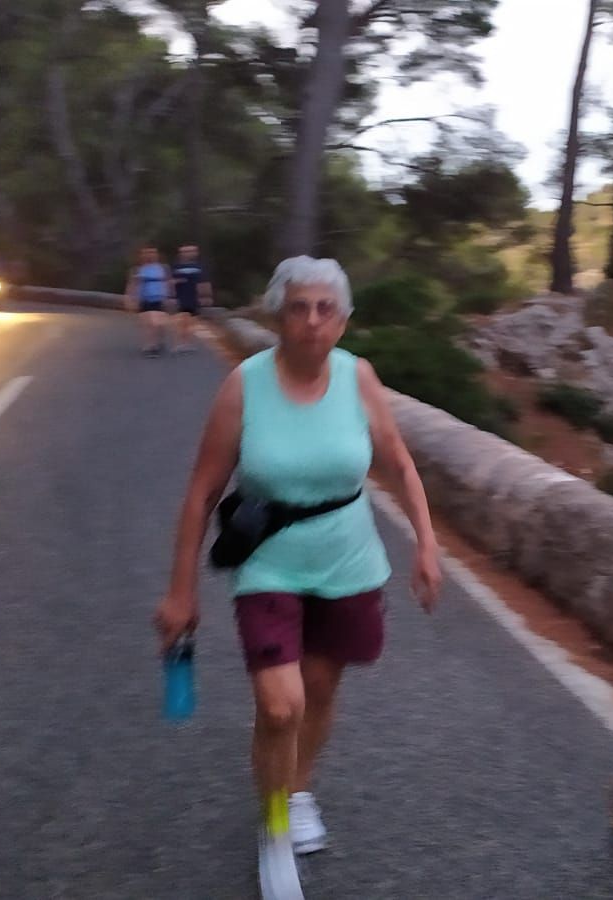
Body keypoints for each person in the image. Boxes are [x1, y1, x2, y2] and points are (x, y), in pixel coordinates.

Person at [152, 256, 443, 899]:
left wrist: (426, 543)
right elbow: (202, 491)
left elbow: (398, 462)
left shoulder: (358, 378)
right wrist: (181, 590)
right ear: (278, 313)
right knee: (281, 706)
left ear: (343, 320)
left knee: (318, 688)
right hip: (269, 562)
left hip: (347, 562)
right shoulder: (244, 386)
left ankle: (299, 787)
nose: (312, 321)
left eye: (325, 309)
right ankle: (276, 825)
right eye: (298, 307)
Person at [126, 246, 172, 356]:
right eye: (146, 253)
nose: (149, 255)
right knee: (148, 323)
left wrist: (169, 297)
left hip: (159, 298)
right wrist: (130, 298)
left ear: (157, 254)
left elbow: (168, 282)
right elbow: (132, 283)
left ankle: (158, 341)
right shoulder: (137, 269)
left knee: (158, 323)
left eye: (152, 252)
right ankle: (150, 346)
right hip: (144, 298)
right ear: (141, 255)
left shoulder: (163, 268)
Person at [170, 244, 213, 354]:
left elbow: (205, 282)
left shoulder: (199, 267)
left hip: (194, 297)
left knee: (191, 321)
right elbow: (170, 282)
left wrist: (207, 296)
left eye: (192, 251)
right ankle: (179, 343)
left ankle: (187, 343)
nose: (189, 253)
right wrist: (171, 294)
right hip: (181, 297)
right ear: (181, 254)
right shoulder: (177, 267)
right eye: (186, 251)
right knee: (181, 320)